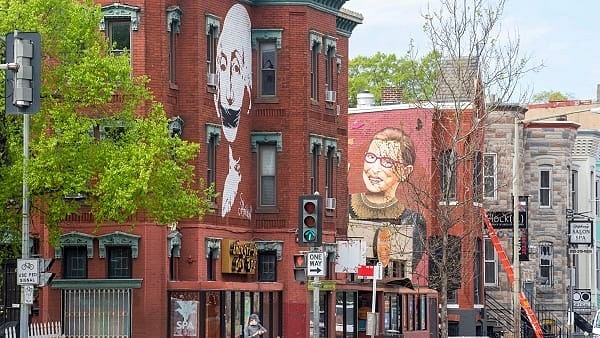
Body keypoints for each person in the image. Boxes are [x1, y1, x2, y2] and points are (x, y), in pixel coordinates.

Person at [349, 127, 426, 269]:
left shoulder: (412, 221)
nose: (375, 168)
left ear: (405, 171)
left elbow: (406, 267)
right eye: (371, 157)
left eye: (387, 161)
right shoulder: (343, 207)